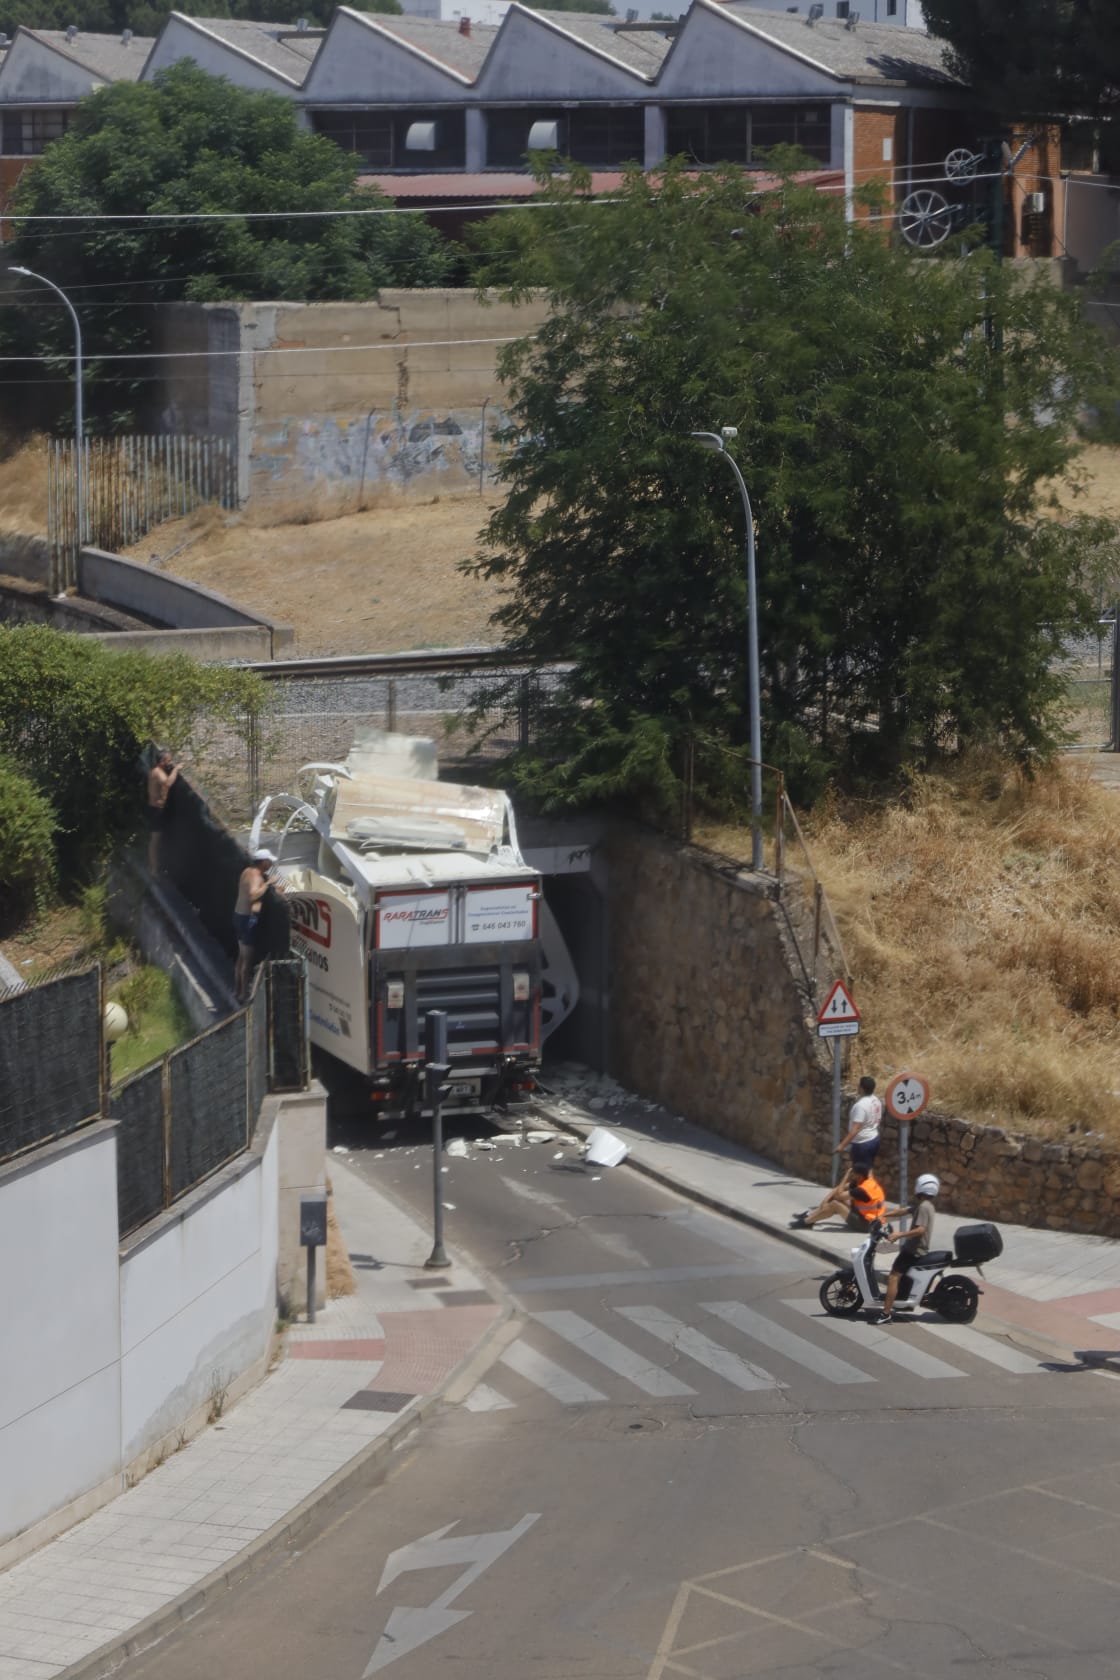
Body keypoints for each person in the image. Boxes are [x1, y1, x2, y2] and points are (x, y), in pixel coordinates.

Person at [876, 1172, 939, 1323]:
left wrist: (899, 1235)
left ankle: (885, 1314)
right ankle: (901, 1303)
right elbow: (904, 1211)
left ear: (921, 1187)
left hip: (914, 1251)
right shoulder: (924, 1205)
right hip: (913, 1249)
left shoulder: (923, 1207)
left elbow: (920, 1229)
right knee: (900, 1276)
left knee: (893, 1276)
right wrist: (885, 1215)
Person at [234, 848, 284, 1002]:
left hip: (238, 916)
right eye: (269, 862)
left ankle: (236, 991)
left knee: (241, 956)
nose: (270, 865)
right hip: (247, 920)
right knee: (247, 960)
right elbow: (253, 895)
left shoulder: (247, 871)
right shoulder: (256, 877)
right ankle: (243, 994)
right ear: (263, 862)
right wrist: (269, 883)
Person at [791, 1162, 887, 1231]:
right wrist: (824, 1203)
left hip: (867, 1225)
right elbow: (838, 1189)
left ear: (859, 1176)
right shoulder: (866, 1181)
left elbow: (839, 1195)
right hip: (868, 1218)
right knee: (835, 1199)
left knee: (835, 1204)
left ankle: (806, 1222)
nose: (851, 1176)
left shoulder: (861, 1190)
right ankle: (811, 1215)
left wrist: (845, 1177)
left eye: (853, 1175)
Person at [834, 1074, 882, 1170]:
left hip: (862, 1143)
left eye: (859, 1085)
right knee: (868, 1170)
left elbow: (855, 1128)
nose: (857, 1087)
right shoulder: (876, 1101)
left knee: (861, 1173)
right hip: (874, 1139)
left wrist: (842, 1145)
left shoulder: (861, 1106)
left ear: (862, 1089)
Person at [146, 746, 180, 875]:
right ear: (162, 761)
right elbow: (168, 783)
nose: (169, 763)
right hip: (156, 811)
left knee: (159, 840)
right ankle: (153, 869)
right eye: (168, 761)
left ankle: (158, 866)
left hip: (157, 810)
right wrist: (176, 769)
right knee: (155, 841)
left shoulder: (156, 771)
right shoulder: (158, 772)